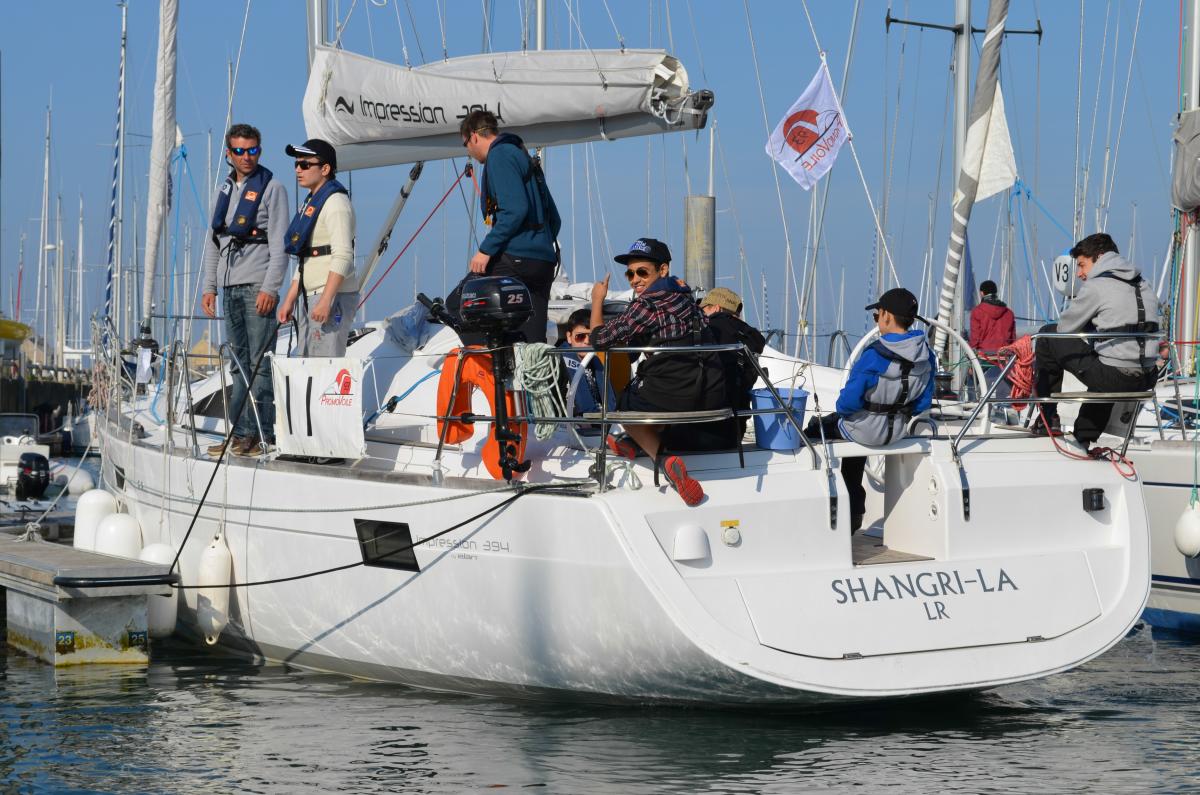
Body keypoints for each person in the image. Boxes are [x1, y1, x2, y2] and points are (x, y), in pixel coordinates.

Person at [589, 238, 727, 507]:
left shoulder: (646, 305)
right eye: (630, 274)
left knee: (624, 407)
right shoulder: (686, 298)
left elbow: (599, 339)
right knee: (653, 397)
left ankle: (663, 459)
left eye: (642, 272)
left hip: (674, 393)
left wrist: (597, 300)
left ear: (663, 270)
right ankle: (637, 442)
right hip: (711, 392)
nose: (634, 280)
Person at [805, 288, 935, 532]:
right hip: (897, 431)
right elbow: (922, 404)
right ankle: (854, 513)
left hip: (865, 430)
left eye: (877, 315)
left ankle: (843, 515)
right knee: (857, 432)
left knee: (814, 432)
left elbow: (846, 404)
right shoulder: (927, 356)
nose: (877, 320)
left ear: (887, 316)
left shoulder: (874, 355)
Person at [201, 123, 290, 458]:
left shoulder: (273, 189)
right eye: (239, 151)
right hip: (229, 289)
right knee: (237, 364)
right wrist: (210, 287)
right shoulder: (222, 191)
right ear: (229, 154)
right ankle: (239, 433)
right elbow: (214, 242)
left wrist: (271, 287)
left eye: (252, 150)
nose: (246, 157)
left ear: (259, 151)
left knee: (259, 364)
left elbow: (281, 245)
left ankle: (261, 434)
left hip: (257, 287)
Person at [1033, 233, 1160, 444]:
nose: (1079, 273)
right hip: (1148, 376)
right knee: (1105, 364)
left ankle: (1048, 417)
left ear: (1100, 257)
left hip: (1115, 377)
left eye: (1082, 265)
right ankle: (1083, 439)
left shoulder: (1097, 285)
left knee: (1047, 334)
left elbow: (1064, 328)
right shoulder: (1144, 284)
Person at [461, 110, 561, 344]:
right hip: (543, 263)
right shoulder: (522, 155)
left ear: (474, 136)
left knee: (459, 304)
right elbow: (554, 219)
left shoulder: (499, 155)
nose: (468, 151)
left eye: (465, 145)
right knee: (532, 342)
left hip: (516, 259)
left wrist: (485, 250)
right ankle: (521, 363)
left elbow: (515, 210)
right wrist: (538, 245)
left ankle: (497, 363)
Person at [277, 139, 358, 357]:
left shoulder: (336, 203)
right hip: (310, 293)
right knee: (308, 361)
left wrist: (325, 300)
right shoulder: (312, 203)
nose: (298, 170)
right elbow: (308, 256)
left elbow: (343, 255)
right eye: (296, 164)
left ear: (325, 169)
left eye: (305, 164)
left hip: (329, 295)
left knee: (324, 364)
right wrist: (290, 298)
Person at [700, 286, 767, 437]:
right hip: (736, 429)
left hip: (703, 429)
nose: (701, 313)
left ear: (716, 308)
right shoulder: (748, 335)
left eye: (704, 308)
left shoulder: (706, 329)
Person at [556, 308, 616, 434]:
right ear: (569, 337)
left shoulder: (596, 362)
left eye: (591, 336)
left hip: (601, 422)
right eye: (580, 336)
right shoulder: (557, 362)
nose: (587, 341)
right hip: (571, 426)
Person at [969, 280, 1016, 355]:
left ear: (982, 293)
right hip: (1004, 355)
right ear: (996, 292)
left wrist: (970, 351)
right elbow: (1012, 338)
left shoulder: (977, 312)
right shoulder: (1009, 313)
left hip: (984, 355)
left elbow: (975, 337)